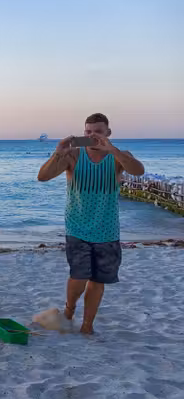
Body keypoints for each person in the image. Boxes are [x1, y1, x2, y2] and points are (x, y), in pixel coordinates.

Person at [37, 113, 144, 334]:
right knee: (78, 276)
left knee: (98, 280)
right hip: (77, 227)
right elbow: (43, 176)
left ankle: (87, 325)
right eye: (88, 132)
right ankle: (69, 309)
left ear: (108, 133)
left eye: (98, 131)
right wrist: (58, 153)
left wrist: (112, 150)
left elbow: (138, 171)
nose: (92, 135)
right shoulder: (73, 156)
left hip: (107, 230)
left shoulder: (118, 157)